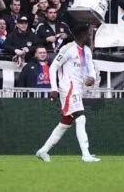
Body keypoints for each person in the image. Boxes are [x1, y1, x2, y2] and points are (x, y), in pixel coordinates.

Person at [36, 25, 99, 162]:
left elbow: (91, 67)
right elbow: (53, 67)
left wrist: (92, 78)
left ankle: (43, 151)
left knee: (65, 123)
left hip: (78, 88)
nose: (89, 37)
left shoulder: (87, 50)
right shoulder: (67, 49)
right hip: (68, 88)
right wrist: (54, 88)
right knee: (80, 118)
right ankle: (86, 154)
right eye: (88, 34)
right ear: (81, 35)